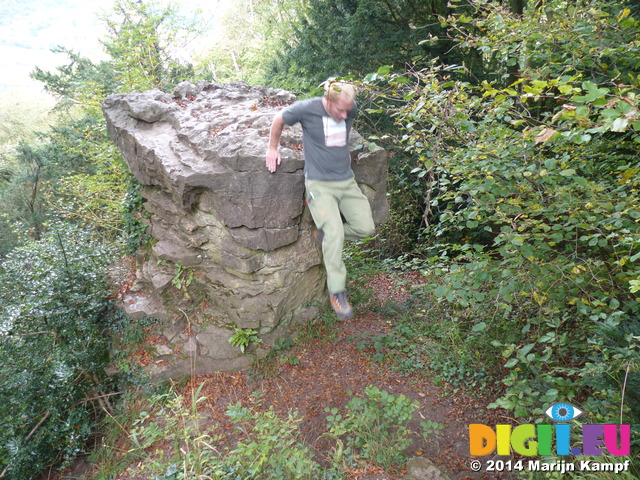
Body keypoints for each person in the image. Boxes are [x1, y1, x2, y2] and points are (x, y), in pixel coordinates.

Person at [265, 80, 375, 319]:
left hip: (346, 181)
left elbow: (346, 116)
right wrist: (272, 148)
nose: (346, 115)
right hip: (319, 183)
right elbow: (278, 119)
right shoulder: (307, 109)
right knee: (335, 233)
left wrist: (346, 112)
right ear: (328, 101)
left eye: (349, 110)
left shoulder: (349, 108)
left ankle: (323, 235)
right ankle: (337, 291)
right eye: (341, 110)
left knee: (366, 228)